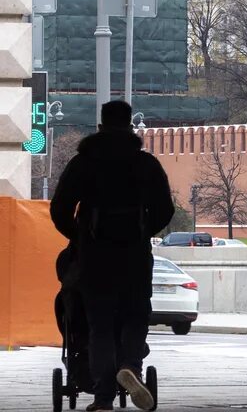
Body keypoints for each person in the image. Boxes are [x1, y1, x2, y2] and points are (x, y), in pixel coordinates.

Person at [50, 100, 174, 412]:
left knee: (99, 324)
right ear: (130, 126)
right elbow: (165, 210)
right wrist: (142, 232)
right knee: (135, 315)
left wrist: (79, 237)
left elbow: (59, 208)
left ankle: (103, 397)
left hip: (95, 259)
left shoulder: (83, 163)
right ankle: (130, 365)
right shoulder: (145, 164)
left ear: (102, 126)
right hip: (134, 257)